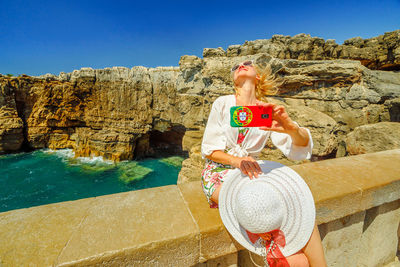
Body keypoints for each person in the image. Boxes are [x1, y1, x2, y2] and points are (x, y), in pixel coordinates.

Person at [200, 59, 327, 266]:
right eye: (236, 66)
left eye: (247, 63)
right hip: (219, 173)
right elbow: (209, 150)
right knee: (260, 206)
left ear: (258, 76)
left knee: (302, 210)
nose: (241, 65)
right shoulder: (223, 103)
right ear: (233, 79)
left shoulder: (267, 110)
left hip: (251, 172)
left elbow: (300, 148)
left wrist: (290, 129)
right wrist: (237, 160)